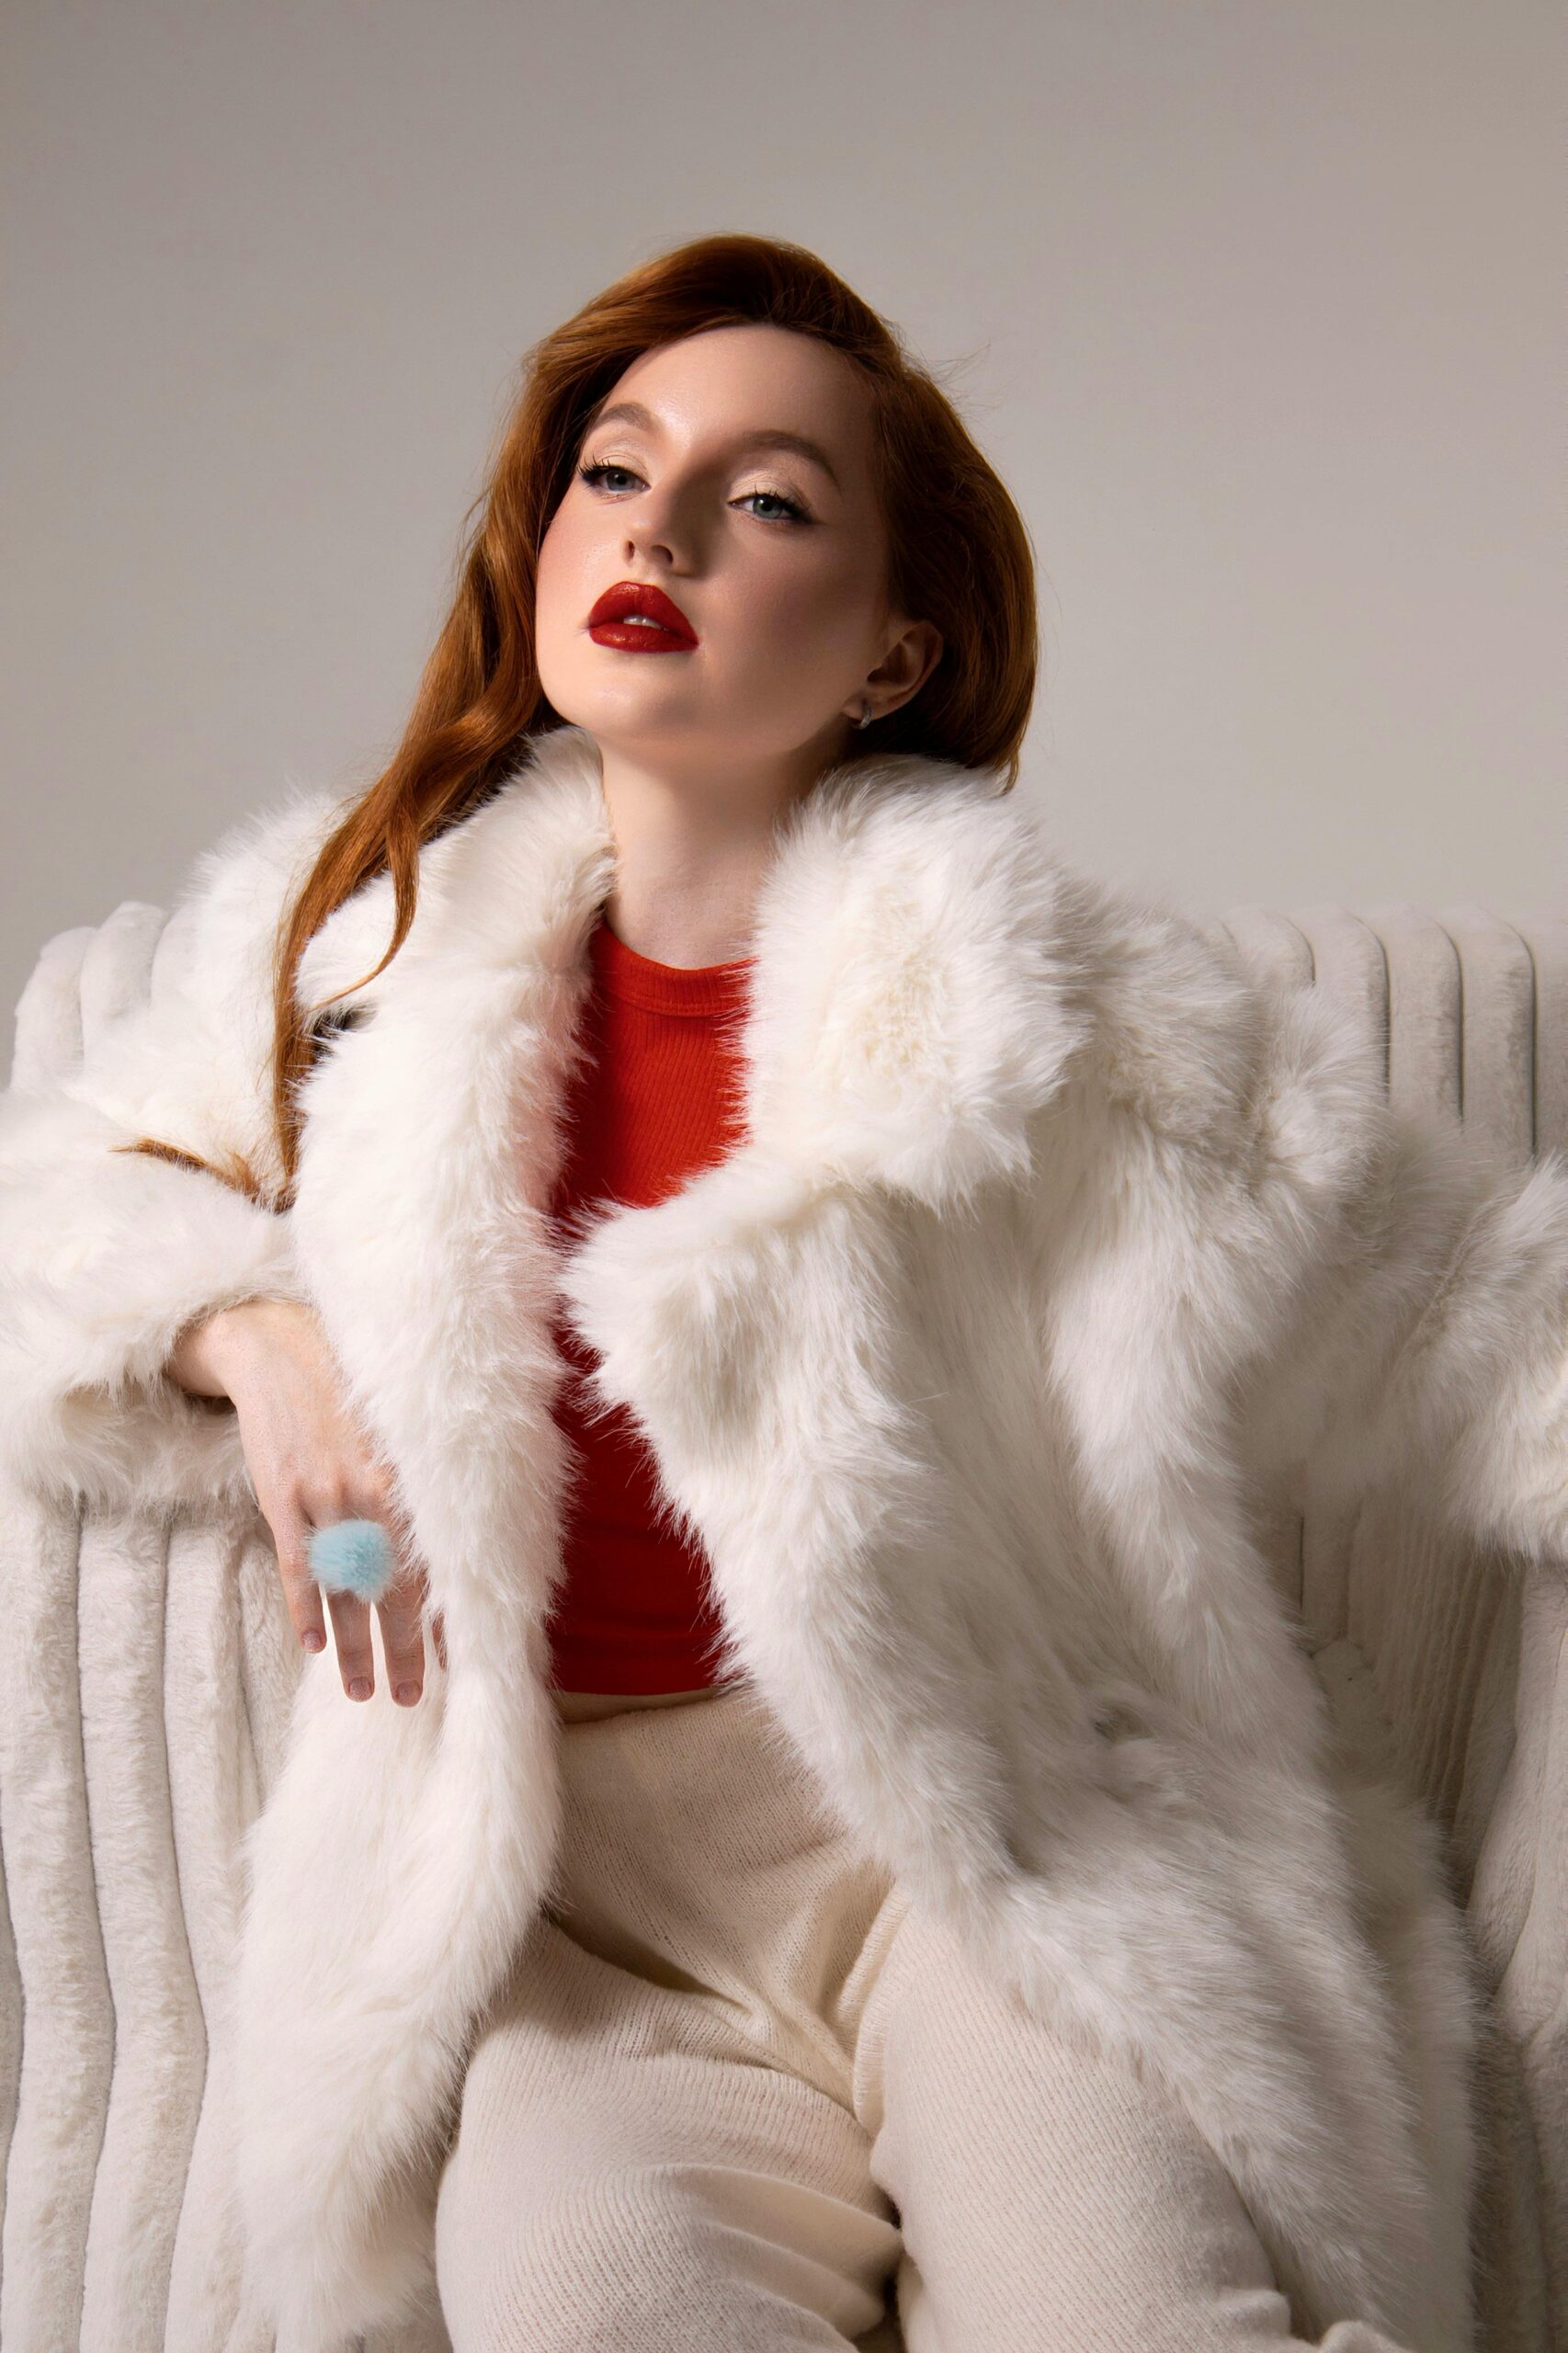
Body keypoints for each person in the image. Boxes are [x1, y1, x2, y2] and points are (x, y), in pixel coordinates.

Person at [3, 231, 1564, 2353]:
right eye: (614, 469)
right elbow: (62, 1207)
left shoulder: (1046, 1003)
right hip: (575, 1925)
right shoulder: (361, 947)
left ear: (896, 650)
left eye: (766, 501)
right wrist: (247, 1334)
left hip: (974, 1848)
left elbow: (1471, 1317)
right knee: (590, 2307)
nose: (654, 527)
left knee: (1127, 2314)